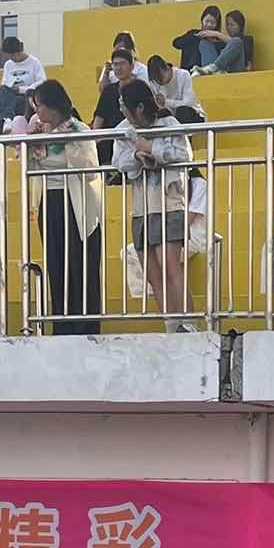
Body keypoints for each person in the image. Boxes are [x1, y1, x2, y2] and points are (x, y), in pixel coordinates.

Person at [113, 78, 194, 331]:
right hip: (142, 207)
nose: (123, 112)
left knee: (171, 266)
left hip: (169, 203)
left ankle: (189, 324)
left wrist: (152, 148)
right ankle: (171, 325)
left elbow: (184, 154)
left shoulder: (168, 124)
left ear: (139, 107)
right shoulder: (123, 130)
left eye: (125, 106)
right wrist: (137, 155)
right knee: (153, 273)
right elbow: (119, 162)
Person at [27, 78, 103, 336]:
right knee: (56, 265)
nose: (37, 111)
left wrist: (65, 145)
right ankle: (62, 325)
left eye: (40, 105)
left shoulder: (78, 130)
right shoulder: (41, 134)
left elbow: (90, 168)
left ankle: (86, 326)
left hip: (75, 204)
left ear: (53, 106)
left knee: (80, 265)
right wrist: (32, 143)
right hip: (49, 203)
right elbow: (30, 164)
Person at [91, 45, 139, 166]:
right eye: (115, 64)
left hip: (133, 138)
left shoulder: (140, 88)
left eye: (122, 63)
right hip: (110, 141)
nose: (118, 68)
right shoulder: (109, 91)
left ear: (131, 66)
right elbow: (99, 119)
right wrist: (96, 139)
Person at [0, 36, 47, 136]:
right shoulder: (8, 65)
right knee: (2, 91)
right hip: (11, 95)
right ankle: (8, 119)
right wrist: (11, 88)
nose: (11, 59)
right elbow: (5, 82)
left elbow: (42, 81)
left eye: (12, 56)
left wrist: (21, 89)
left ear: (18, 52)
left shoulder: (34, 62)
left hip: (28, 94)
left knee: (22, 97)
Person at [194, 9, 251, 77]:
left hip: (235, 71)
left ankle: (213, 68)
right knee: (205, 43)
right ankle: (211, 71)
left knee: (237, 41)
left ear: (240, 26)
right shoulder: (222, 41)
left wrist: (217, 34)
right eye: (227, 24)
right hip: (220, 71)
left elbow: (248, 63)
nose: (228, 28)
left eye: (232, 25)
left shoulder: (247, 39)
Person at [147, 54, 204, 120]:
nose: (159, 83)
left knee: (183, 112)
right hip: (170, 118)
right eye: (156, 80)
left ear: (167, 68)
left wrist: (166, 102)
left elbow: (188, 104)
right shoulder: (154, 82)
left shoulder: (183, 75)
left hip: (192, 115)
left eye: (160, 79)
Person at [173, 6, 223, 73]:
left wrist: (216, 35)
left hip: (210, 71)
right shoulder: (193, 34)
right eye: (207, 21)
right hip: (191, 70)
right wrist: (195, 36)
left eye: (213, 23)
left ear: (217, 24)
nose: (209, 25)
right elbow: (176, 43)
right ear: (202, 20)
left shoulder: (219, 39)